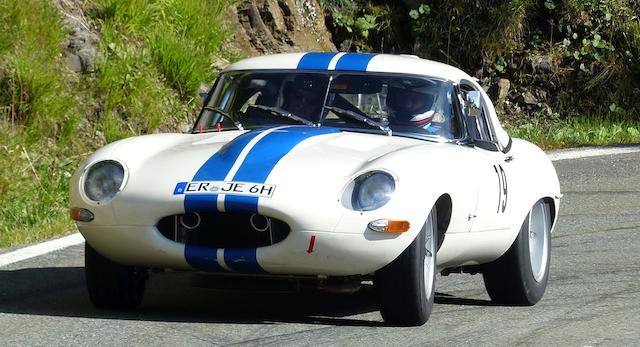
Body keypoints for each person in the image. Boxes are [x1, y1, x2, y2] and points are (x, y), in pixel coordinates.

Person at [386, 80, 454, 138]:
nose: (407, 103)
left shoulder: (442, 137)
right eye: (402, 97)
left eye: (415, 98)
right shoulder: (379, 128)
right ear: (393, 99)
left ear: (428, 102)